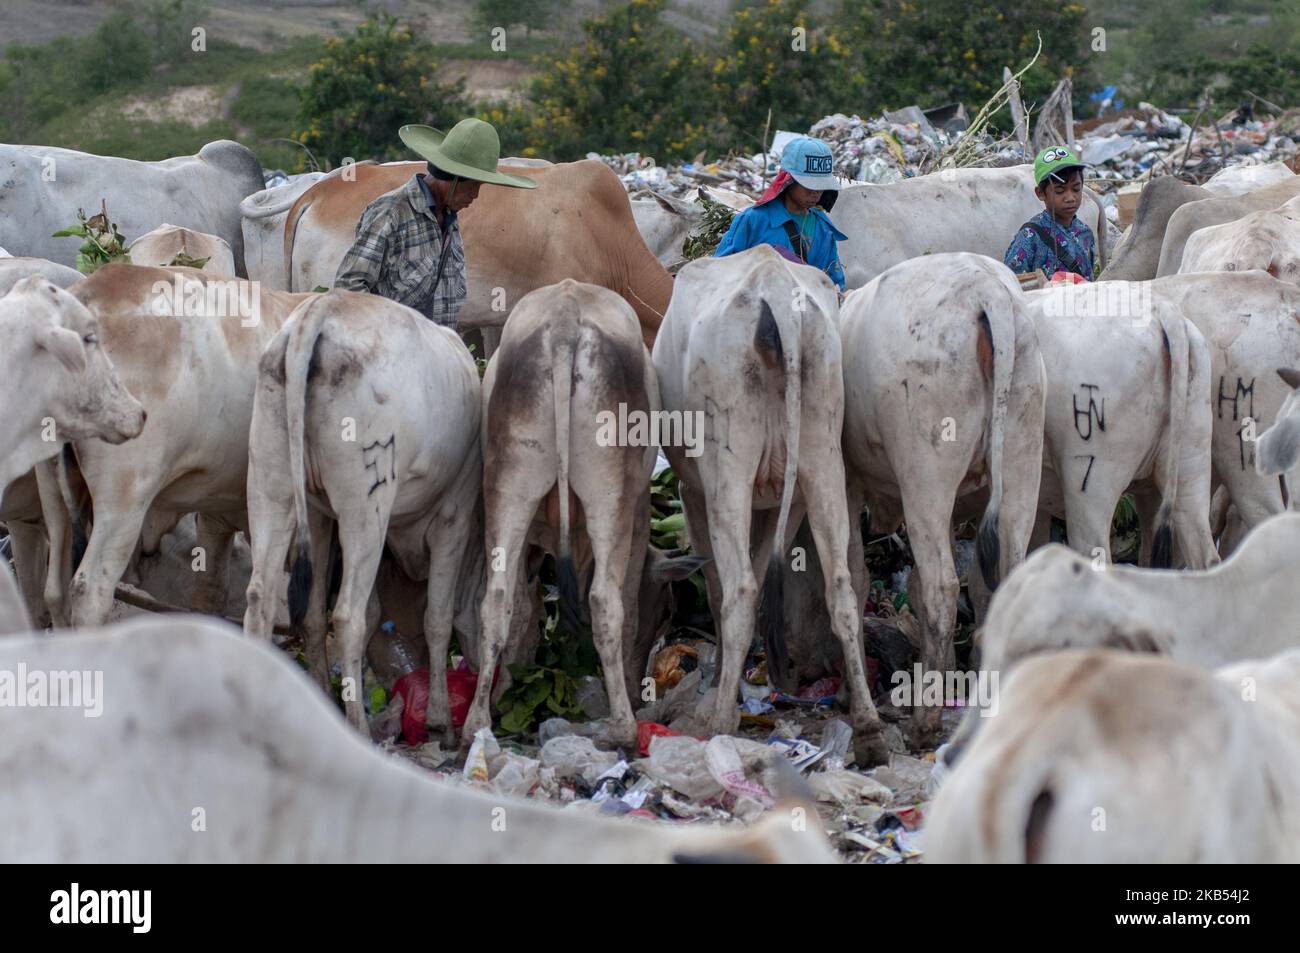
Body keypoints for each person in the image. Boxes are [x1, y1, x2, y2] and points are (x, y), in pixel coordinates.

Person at [334, 117, 537, 328]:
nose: (476, 195)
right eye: (474, 184)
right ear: (454, 177)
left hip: (434, 347)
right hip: (389, 345)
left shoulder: (449, 218)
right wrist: (380, 336)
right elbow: (349, 286)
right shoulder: (391, 212)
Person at [715, 136, 848, 290]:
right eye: (810, 185)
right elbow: (720, 273)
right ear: (788, 180)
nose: (817, 192)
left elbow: (833, 283)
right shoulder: (753, 221)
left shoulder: (823, 228)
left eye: (821, 185)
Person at [1004, 145, 1098, 282]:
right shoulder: (1029, 237)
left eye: (1076, 189)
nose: (1070, 198)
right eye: (1060, 191)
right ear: (1040, 193)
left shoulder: (1085, 233)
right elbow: (1011, 284)